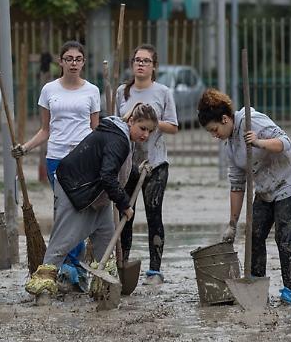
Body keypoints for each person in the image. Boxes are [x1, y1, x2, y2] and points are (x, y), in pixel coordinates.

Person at [25, 103, 158, 303]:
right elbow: (108, 175)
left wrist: (138, 173)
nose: (145, 134)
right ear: (131, 121)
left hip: (97, 194)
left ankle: (104, 290)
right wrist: (124, 204)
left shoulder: (122, 136)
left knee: (105, 239)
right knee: (63, 240)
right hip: (74, 189)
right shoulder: (118, 139)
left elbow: (118, 167)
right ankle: (43, 291)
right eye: (143, 128)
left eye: (150, 131)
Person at [197, 88, 291, 308]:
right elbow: (237, 185)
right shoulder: (230, 145)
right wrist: (232, 223)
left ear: (225, 119)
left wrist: (259, 142)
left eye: (214, 129)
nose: (214, 135)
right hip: (267, 188)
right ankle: (257, 289)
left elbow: (285, 142)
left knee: (285, 237)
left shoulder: (251, 121)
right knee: (254, 234)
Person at [12, 40, 101, 293]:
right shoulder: (49, 90)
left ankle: (72, 266)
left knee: (78, 211)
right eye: (68, 59)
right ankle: (70, 267)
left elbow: (95, 130)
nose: (73, 63)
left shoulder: (92, 91)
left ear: (83, 62)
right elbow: (45, 130)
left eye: (78, 59)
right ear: (60, 62)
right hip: (57, 159)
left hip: (83, 160)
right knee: (65, 211)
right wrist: (25, 148)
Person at [115, 44, 179, 285]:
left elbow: (173, 126)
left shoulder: (163, 92)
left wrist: (149, 121)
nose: (141, 64)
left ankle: (155, 270)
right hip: (128, 164)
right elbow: (116, 124)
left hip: (155, 163)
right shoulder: (121, 92)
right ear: (132, 64)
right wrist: (130, 118)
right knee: (125, 213)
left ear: (154, 66)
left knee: (154, 213)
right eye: (137, 60)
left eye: (146, 61)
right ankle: (123, 263)